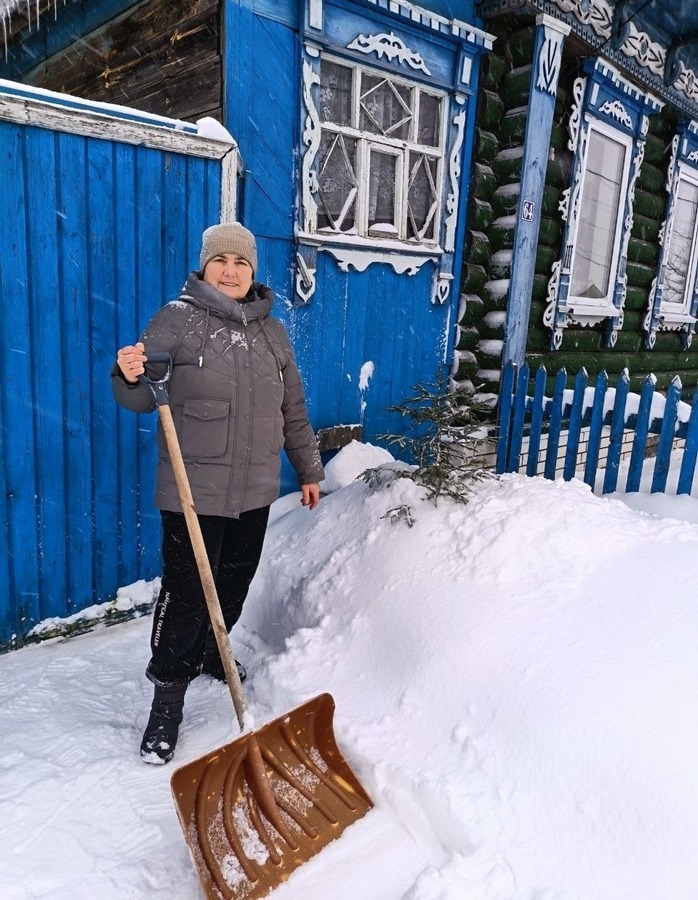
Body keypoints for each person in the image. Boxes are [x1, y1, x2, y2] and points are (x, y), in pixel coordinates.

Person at [111, 222, 324, 764]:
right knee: (186, 594)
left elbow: (292, 408)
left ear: (253, 271)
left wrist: (308, 469)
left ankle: (213, 651)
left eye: (241, 262)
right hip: (193, 493)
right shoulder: (176, 318)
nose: (231, 271)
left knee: (233, 581)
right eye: (220, 261)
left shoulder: (272, 332)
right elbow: (143, 395)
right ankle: (167, 699)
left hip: (254, 490)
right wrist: (130, 374)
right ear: (205, 267)